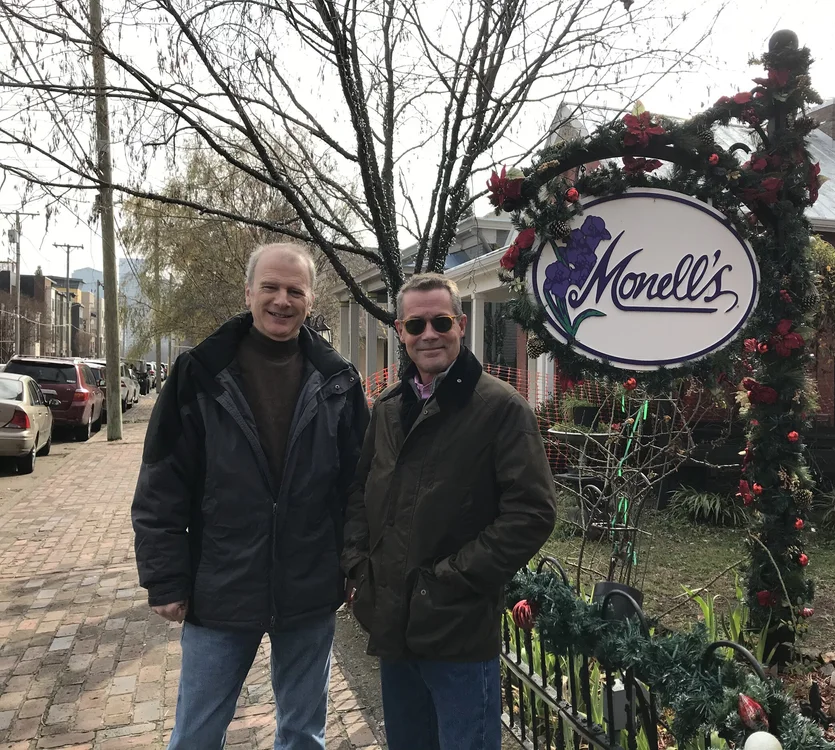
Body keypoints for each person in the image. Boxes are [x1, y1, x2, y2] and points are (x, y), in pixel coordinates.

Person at [132, 242, 369, 749]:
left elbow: (357, 488)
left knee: (304, 734)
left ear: (310, 300)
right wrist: (165, 577)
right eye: (270, 287)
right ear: (248, 292)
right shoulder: (198, 373)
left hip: (308, 588)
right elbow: (161, 481)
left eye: (294, 290)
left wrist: (354, 566)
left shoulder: (338, 381)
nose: (282, 300)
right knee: (196, 733)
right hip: (220, 586)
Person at [342, 273, 557, 750]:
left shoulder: (502, 409)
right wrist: (358, 572)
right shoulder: (388, 408)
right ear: (400, 331)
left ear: (460, 324)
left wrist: (448, 580)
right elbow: (359, 493)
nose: (429, 334)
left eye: (440, 321)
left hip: (457, 632)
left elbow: (533, 513)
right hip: (394, 626)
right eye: (416, 325)